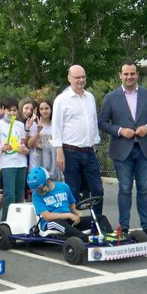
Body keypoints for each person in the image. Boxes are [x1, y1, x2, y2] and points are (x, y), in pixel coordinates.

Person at [99, 62, 147, 239]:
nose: (129, 77)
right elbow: (103, 122)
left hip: (144, 149)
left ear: (137, 75)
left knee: (144, 189)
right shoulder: (111, 98)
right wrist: (120, 130)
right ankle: (124, 227)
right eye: (126, 74)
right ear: (120, 75)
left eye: (132, 74)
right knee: (125, 189)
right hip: (122, 150)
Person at [52, 65, 104, 217]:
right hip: (70, 151)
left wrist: (94, 142)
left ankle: (97, 222)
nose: (81, 80)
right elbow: (57, 126)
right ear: (69, 78)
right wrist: (59, 151)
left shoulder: (90, 97)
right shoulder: (62, 100)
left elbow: (93, 122)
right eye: (77, 77)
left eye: (83, 77)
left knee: (97, 189)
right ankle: (73, 222)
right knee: (73, 191)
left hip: (89, 151)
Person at [28, 166, 106, 242]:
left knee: (100, 218)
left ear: (47, 180)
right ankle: (87, 239)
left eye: (41, 188)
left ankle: (110, 238)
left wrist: (80, 218)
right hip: (50, 223)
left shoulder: (64, 187)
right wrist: (69, 215)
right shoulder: (36, 196)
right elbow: (47, 216)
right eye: (36, 189)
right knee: (57, 223)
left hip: (68, 221)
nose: (39, 191)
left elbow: (73, 207)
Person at [0, 97, 29, 221]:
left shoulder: (19, 125)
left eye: (14, 111)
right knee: (9, 195)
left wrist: (23, 149)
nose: (12, 113)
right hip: (7, 164)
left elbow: (22, 143)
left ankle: (18, 222)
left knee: (19, 196)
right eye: (9, 110)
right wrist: (2, 148)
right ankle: (6, 222)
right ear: (3, 110)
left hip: (21, 163)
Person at [28, 99, 61, 181]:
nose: (44, 111)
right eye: (41, 109)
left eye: (46, 108)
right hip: (37, 164)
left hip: (53, 164)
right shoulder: (34, 125)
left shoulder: (56, 125)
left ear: (51, 109)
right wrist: (38, 131)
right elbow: (29, 144)